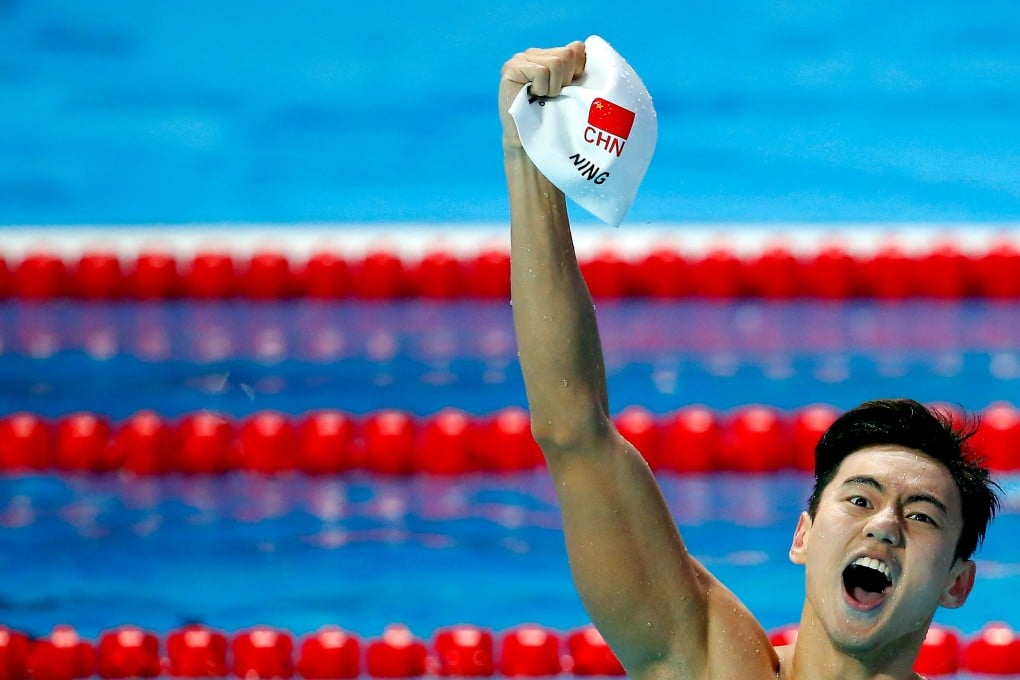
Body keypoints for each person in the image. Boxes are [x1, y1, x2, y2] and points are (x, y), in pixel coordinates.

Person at [499, 41, 1001, 680]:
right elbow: (574, 429)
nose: (884, 527)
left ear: (957, 583)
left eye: (923, 516)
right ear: (802, 537)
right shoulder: (710, 665)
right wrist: (529, 156)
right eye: (858, 499)